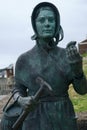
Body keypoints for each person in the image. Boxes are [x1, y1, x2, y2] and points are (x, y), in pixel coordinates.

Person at [11, 2, 87, 130]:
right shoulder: (24, 60)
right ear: (34, 25)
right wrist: (20, 100)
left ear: (57, 24)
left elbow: (82, 90)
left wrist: (78, 70)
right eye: (42, 20)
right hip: (34, 118)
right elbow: (18, 88)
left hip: (63, 117)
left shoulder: (66, 56)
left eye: (51, 20)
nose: (47, 24)